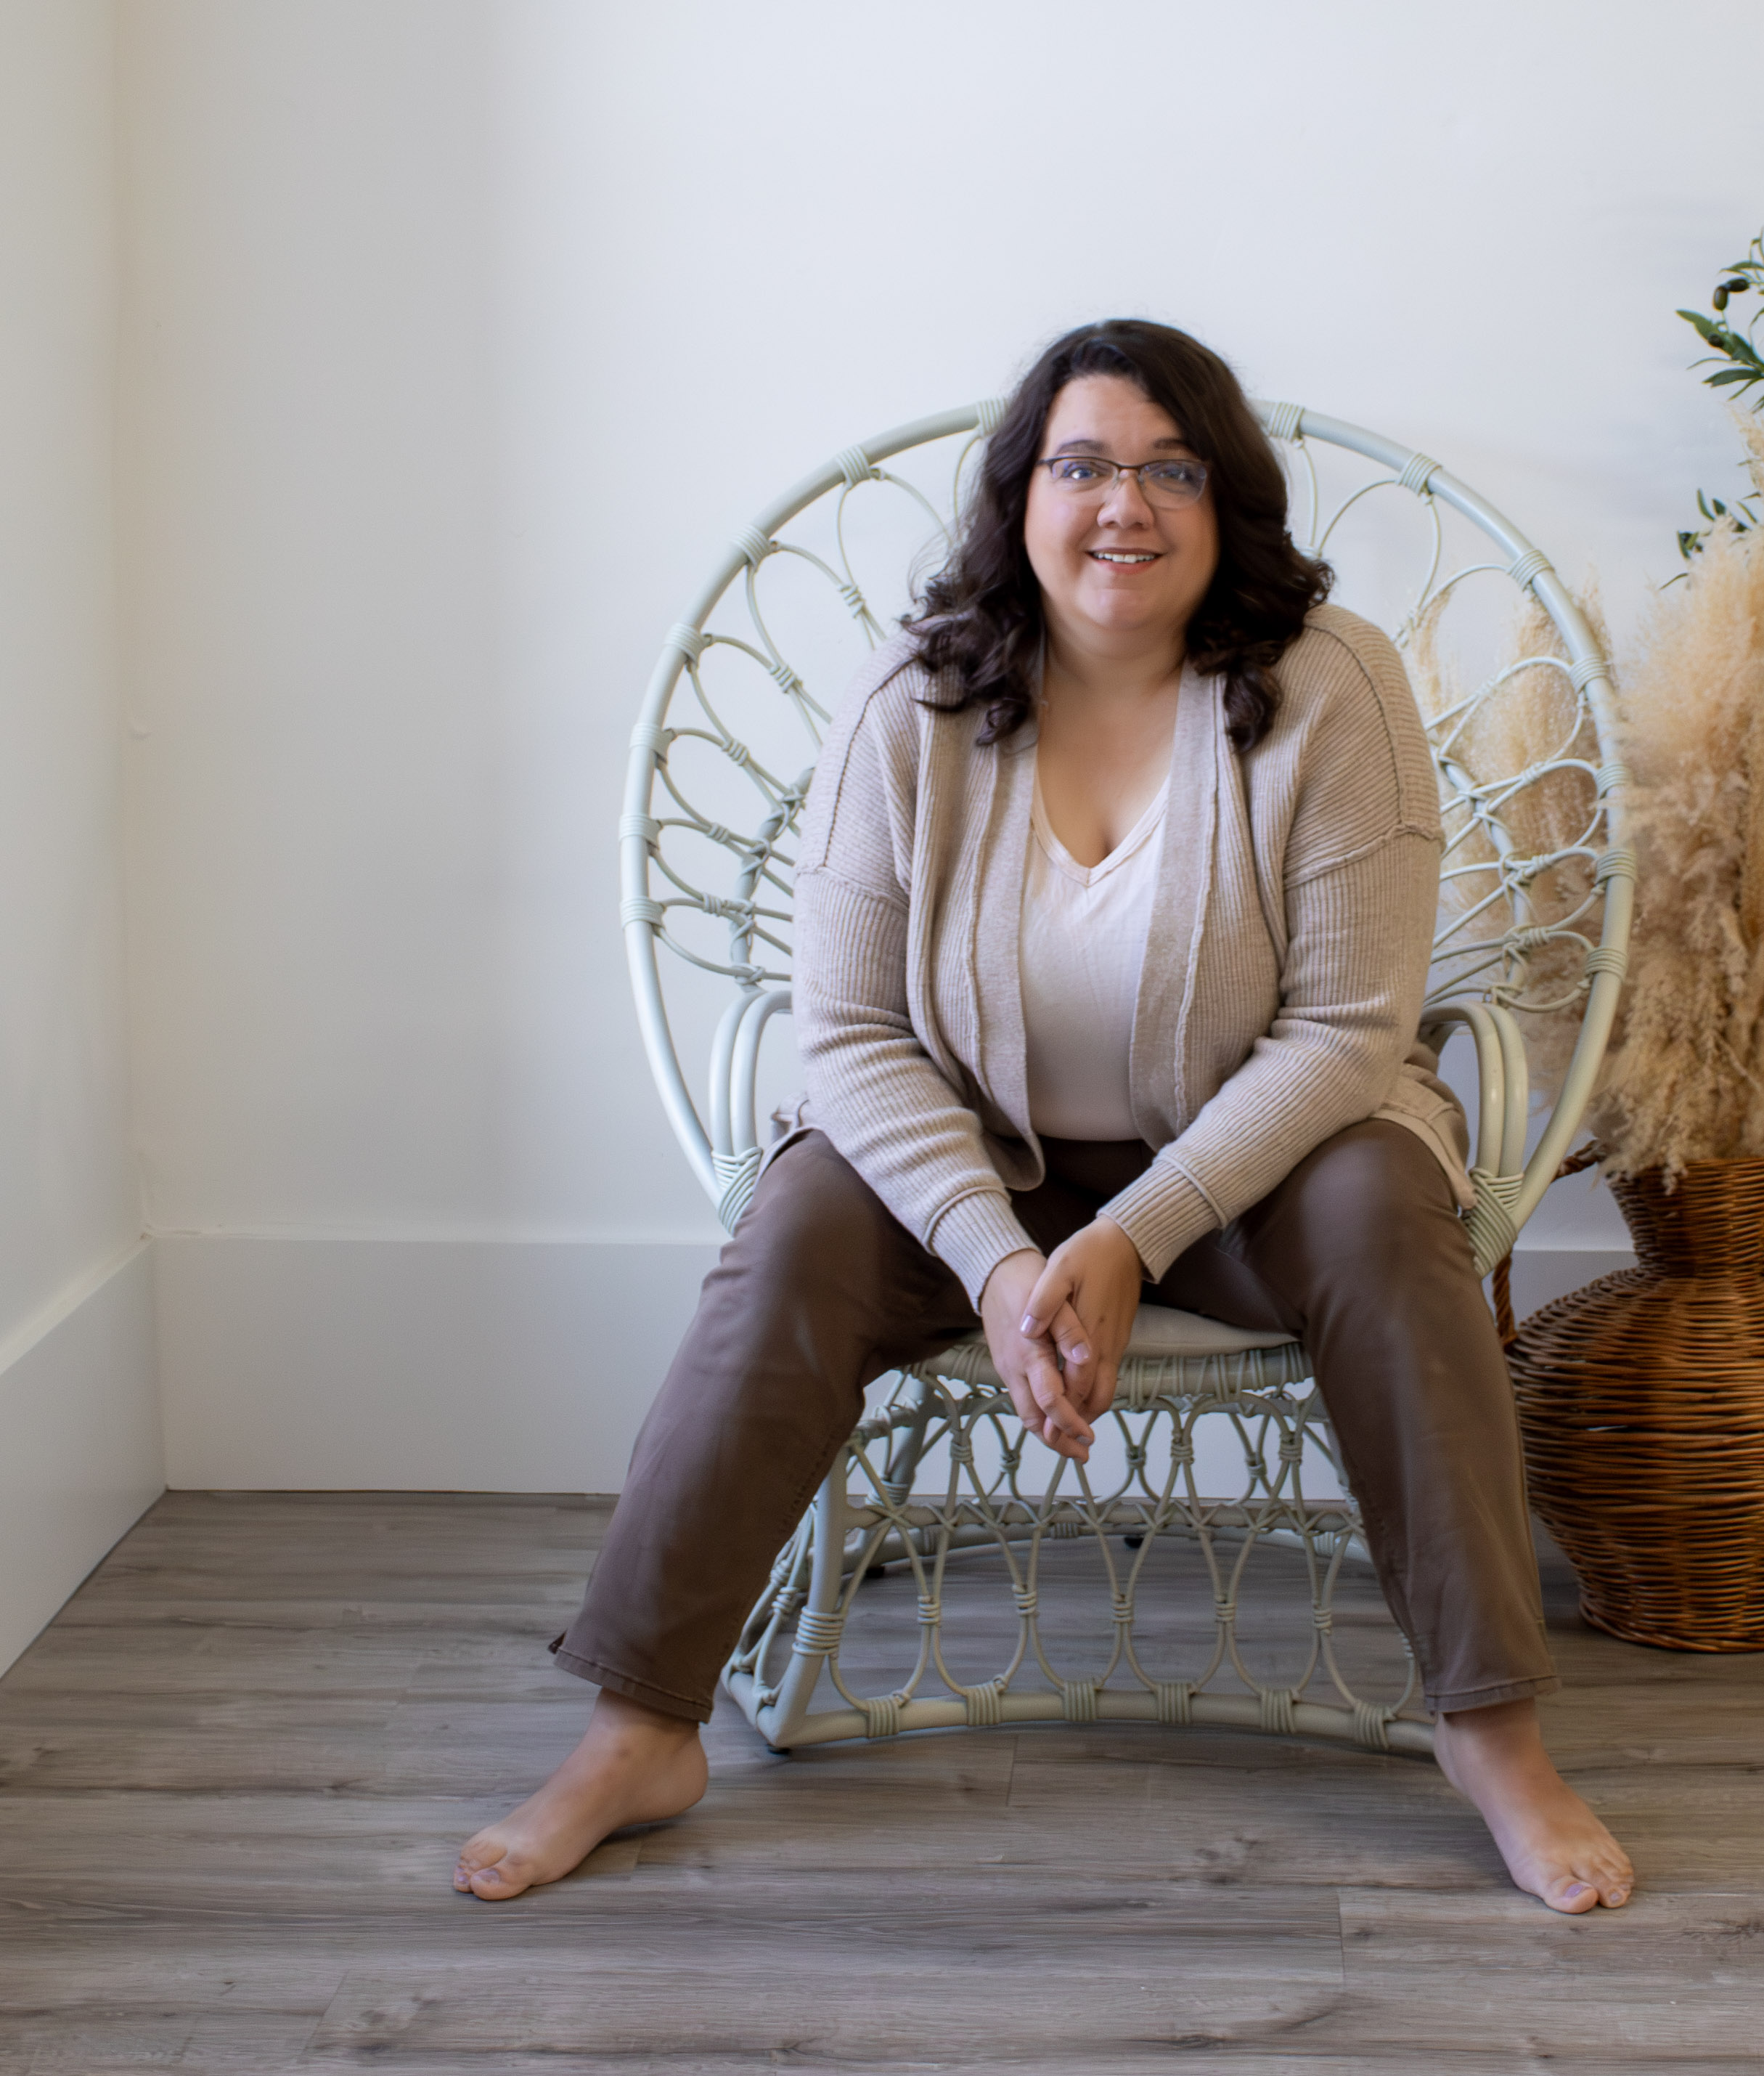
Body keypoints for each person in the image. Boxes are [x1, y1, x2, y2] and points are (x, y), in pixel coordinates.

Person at [457, 320, 1633, 1914]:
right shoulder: (912, 701)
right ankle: (635, 1731)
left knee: (1387, 1219)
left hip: (1254, 1168)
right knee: (796, 1228)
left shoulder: (1326, 686)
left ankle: (1493, 1735)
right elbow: (851, 1029)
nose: (1121, 506)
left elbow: (1352, 1030)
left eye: (1169, 469)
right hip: (971, 1166)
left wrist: (1133, 1238)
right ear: (1021, 498)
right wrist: (1006, 1265)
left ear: (1227, 506)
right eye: (1081, 465)